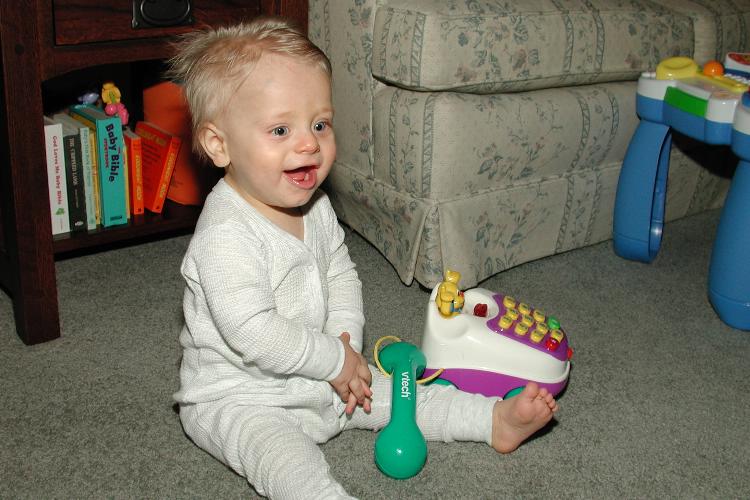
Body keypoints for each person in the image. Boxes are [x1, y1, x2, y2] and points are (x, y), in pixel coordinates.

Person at [169, 17, 559, 500]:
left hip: (322, 370)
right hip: (244, 397)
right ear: (219, 145)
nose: (309, 143)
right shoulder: (225, 234)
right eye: (281, 129)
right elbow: (252, 330)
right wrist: (333, 359)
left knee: (404, 394)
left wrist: (346, 342)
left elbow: (340, 272)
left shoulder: (314, 205)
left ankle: (491, 420)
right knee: (285, 460)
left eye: (320, 124)